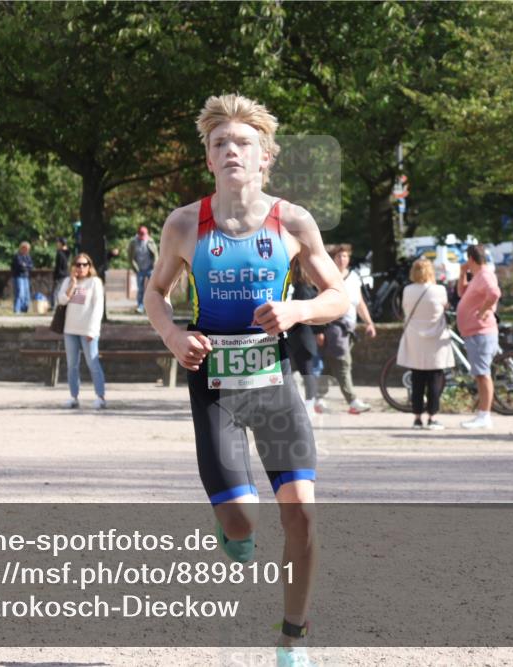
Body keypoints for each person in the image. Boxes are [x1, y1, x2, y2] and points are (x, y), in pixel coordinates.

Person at [144, 93, 348, 666]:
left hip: (273, 383)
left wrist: (297, 311)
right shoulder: (185, 224)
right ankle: (233, 527)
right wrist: (173, 336)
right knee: (242, 522)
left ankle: (292, 640)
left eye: (243, 142)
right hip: (214, 387)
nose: (232, 150)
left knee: (301, 510)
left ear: (265, 157)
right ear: (209, 159)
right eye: (220, 143)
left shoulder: (292, 221)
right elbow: (155, 293)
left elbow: (337, 294)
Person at [397, 258, 453, 430]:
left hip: (415, 338)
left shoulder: (407, 290)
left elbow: (405, 309)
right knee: (435, 379)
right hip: (435, 338)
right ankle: (432, 417)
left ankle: (417, 418)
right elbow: (445, 307)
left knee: (417, 379)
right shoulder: (439, 290)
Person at [319, 243, 375, 414]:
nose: (342, 259)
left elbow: (360, 303)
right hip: (334, 326)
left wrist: (369, 322)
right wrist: (319, 329)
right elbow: (319, 302)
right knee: (343, 362)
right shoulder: (327, 276)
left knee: (330, 364)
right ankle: (352, 401)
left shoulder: (354, 277)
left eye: (345, 256)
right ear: (333, 259)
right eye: (338, 256)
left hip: (349, 327)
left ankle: (317, 397)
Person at [456, 244, 501, 429]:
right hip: (474, 332)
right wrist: (462, 273)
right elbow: (461, 293)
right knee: (480, 374)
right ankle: (483, 414)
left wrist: (483, 311)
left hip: (481, 332)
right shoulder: (478, 276)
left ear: (470, 259)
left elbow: (495, 293)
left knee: (483, 374)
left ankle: (484, 416)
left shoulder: (484, 275)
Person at [55, 252, 107, 409]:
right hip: (70, 330)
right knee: (72, 365)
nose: (81, 267)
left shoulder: (95, 282)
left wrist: (93, 330)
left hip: (88, 330)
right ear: (73, 266)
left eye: (85, 264)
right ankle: (74, 397)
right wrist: (72, 284)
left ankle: (100, 397)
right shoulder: (68, 281)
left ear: (90, 267)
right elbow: (61, 300)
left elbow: (98, 308)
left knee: (92, 362)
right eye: (78, 264)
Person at [286, 258, 323, 417]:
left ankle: (310, 403)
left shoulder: (302, 290)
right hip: (302, 337)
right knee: (305, 372)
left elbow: (306, 314)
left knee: (306, 372)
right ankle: (309, 402)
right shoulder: (306, 289)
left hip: (302, 337)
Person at [127, 226, 158, 314]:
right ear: (138, 234)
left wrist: (155, 265)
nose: (143, 238)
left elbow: (156, 254)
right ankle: (140, 306)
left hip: (150, 268)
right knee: (140, 289)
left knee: (153, 288)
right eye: (141, 235)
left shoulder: (150, 241)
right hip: (139, 269)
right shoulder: (133, 242)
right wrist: (135, 268)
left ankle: (153, 306)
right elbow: (130, 257)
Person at [10, 241, 34, 314]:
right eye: (26, 249)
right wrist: (26, 266)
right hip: (18, 277)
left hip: (25, 277)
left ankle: (24, 310)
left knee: (26, 294)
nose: (28, 250)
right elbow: (20, 266)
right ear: (22, 248)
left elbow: (31, 266)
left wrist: (25, 265)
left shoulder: (27, 256)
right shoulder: (17, 256)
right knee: (20, 293)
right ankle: (17, 309)